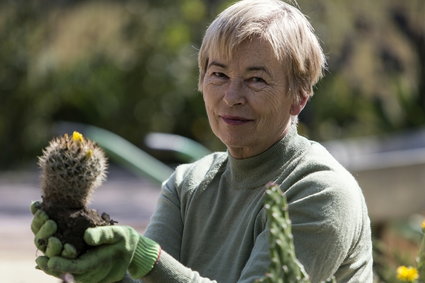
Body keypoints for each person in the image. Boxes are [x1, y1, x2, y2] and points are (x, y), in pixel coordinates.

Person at [31, 0, 373, 282]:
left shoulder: (321, 191)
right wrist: (87, 258)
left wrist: (143, 256)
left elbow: (151, 264)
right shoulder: (187, 185)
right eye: (219, 75)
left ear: (298, 96)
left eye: (256, 79)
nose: (231, 96)